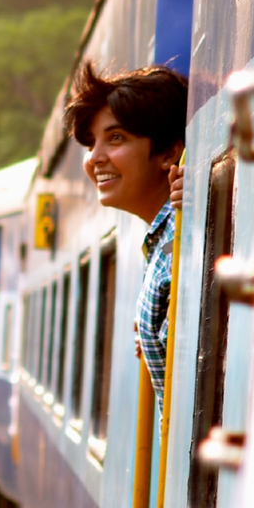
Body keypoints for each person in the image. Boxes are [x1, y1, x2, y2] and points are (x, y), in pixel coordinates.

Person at [63, 62, 188, 398]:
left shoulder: (185, 238)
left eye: (115, 138)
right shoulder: (163, 238)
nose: (94, 158)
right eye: (92, 144)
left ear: (168, 153)